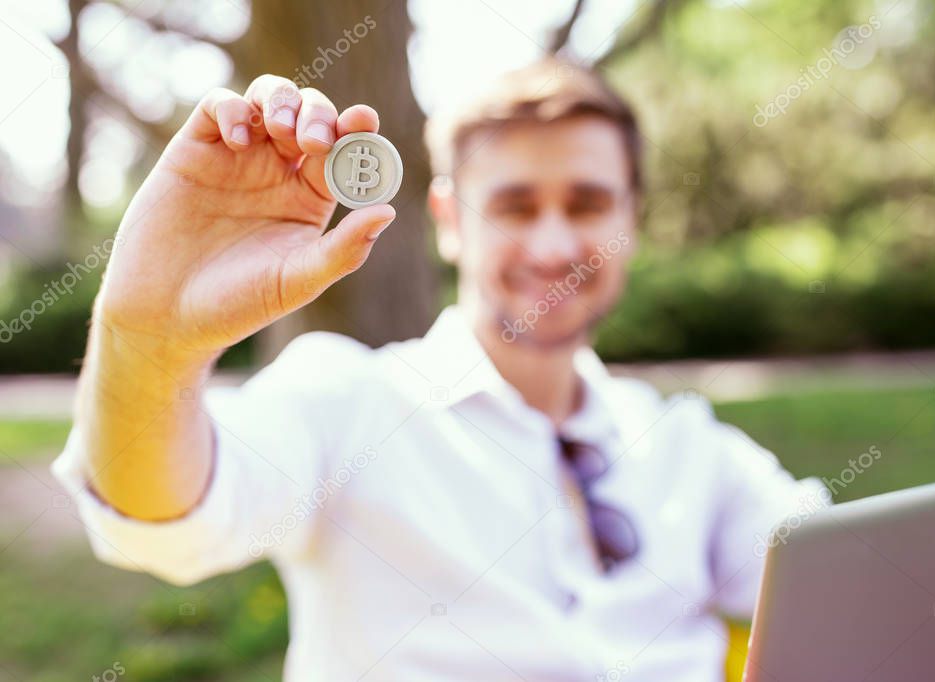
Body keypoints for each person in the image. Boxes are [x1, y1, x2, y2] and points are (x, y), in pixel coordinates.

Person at [52, 57, 827, 681]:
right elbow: (163, 523)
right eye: (516, 206)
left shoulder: (690, 446)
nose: (553, 245)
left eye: (588, 204)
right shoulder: (345, 400)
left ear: (631, 217)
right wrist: (149, 343)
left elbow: (853, 589)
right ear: (452, 221)